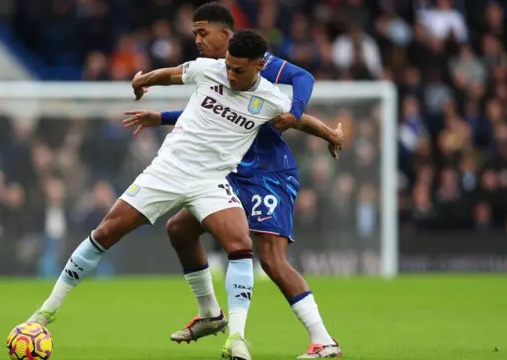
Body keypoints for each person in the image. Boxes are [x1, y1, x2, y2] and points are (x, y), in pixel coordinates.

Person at [28, 30, 295, 360]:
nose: (229, 74)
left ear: (258, 66)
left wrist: (329, 134)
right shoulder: (208, 69)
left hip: (210, 180)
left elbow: (299, 119)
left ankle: (236, 339)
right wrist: (144, 80)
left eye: (238, 70)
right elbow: (172, 74)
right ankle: (45, 313)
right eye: (228, 66)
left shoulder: (272, 100)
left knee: (240, 244)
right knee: (105, 233)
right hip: (167, 170)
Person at [121, 3, 343, 359]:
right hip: (231, 172)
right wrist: (161, 117)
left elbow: (297, 100)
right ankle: (211, 315)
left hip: (267, 174)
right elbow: (208, 111)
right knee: (179, 228)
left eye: (202, 34)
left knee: (271, 258)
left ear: (225, 35)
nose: (197, 41)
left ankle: (324, 341)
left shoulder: (259, 64)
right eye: (195, 34)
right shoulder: (217, 72)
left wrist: (325, 131)